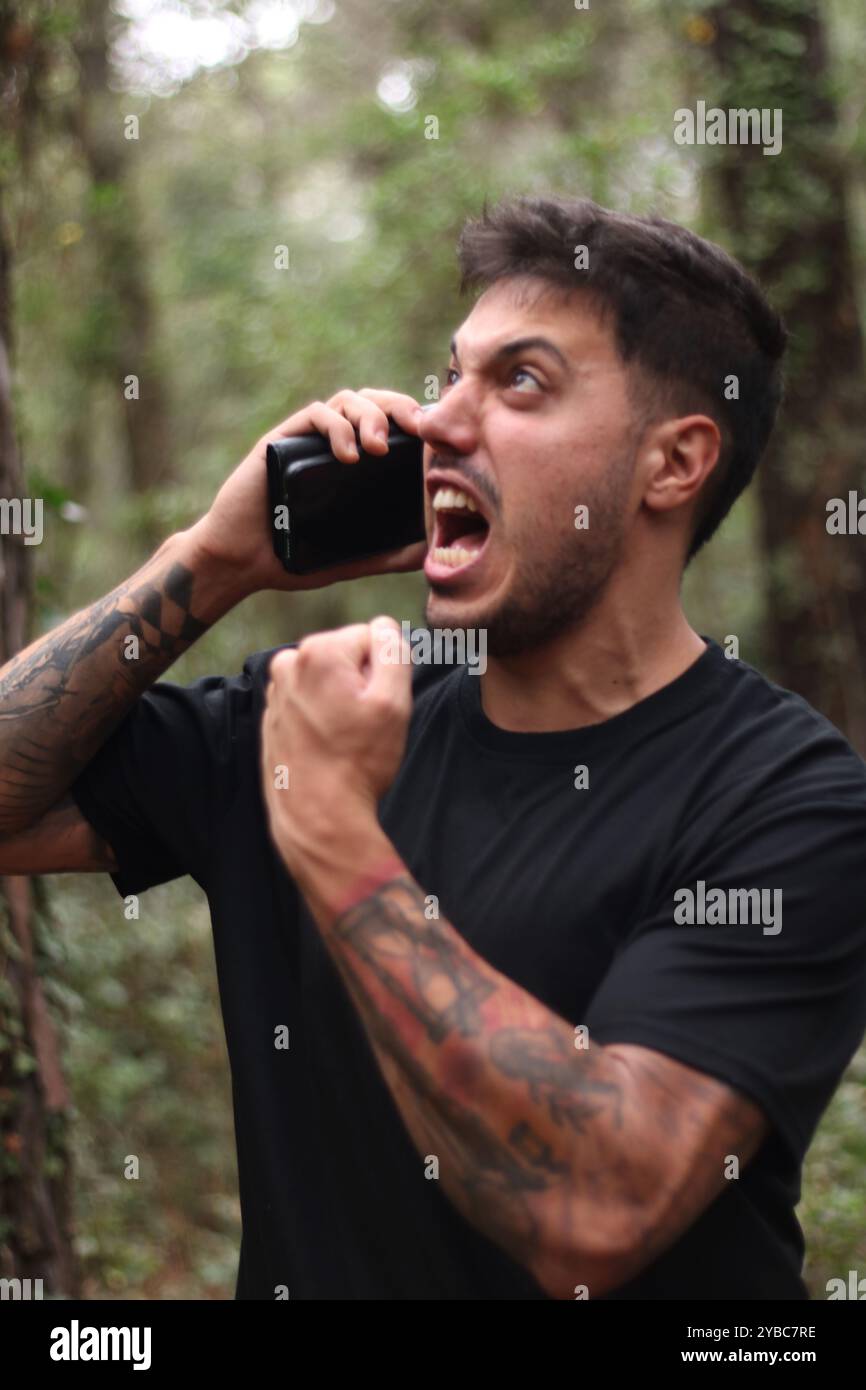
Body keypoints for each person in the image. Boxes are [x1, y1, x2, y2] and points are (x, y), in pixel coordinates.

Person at [2, 195, 865, 1301]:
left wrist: (330, 834)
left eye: (519, 383)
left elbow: (594, 1207)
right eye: (447, 375)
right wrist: (217, 558)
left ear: (672, 463)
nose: (437, 422)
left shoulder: (790, 803)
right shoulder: (325, 710)